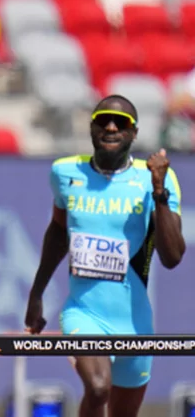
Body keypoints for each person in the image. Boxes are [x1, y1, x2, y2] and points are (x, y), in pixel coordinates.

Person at [24, 94, 186, 417]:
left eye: (121, 122)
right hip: (83, 314)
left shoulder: (154, 177)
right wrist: (37, 293)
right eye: (103, 120)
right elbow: (58, 233)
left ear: (134, 133)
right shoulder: (65, 172)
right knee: (98, 388)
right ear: (91, 128)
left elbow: (172, 256)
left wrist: (159, 193)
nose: (111, 127)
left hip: (135, 322)